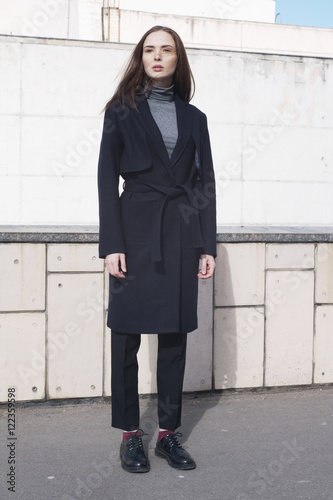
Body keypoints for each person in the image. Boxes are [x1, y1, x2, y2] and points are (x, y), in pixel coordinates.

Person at [97, 25, 216, 473]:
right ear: (141, 58)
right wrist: (111, 244)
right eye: (150, 50)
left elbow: (205, 184)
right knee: (126, 336)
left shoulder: (195, 119)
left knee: (174, 337)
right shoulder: (121, 112)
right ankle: (131, 433)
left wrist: (207, 245)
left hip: (182, 233)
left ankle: (169, 434)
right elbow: (106, 179)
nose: (158, 56)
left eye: (167, 49)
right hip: (133, 230)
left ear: (177, 58)